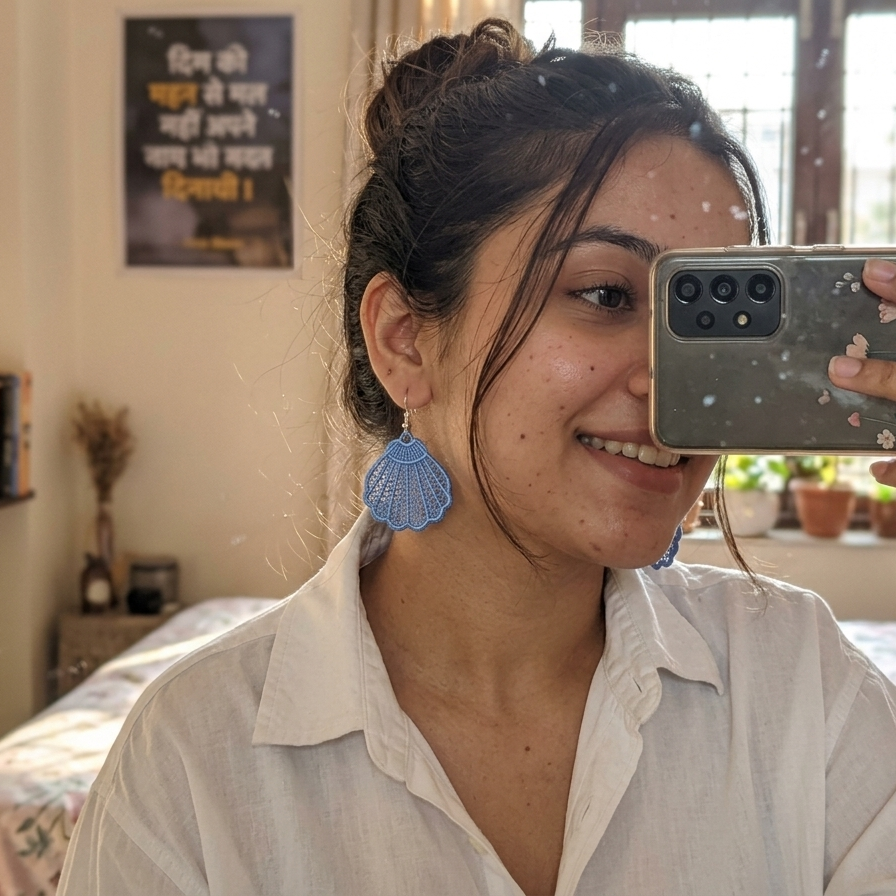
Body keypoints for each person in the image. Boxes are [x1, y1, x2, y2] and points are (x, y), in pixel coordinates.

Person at [60, 19, 896, 896]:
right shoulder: (192, 765)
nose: (672, 385)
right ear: (404, 342)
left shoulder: (801, 683)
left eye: (709, 320)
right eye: (605, 293)